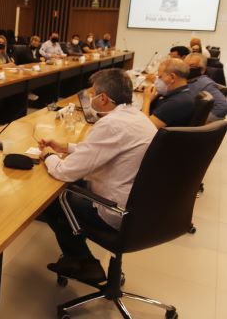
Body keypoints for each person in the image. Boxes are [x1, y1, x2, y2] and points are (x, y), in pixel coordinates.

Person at [38, 68, 156, 284]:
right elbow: (104, 150)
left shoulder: (111, 124)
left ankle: (81, 261)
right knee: (71, 188)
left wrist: (48, 155)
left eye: (92, 94)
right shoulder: (137, 116)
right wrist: (66, 147)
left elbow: (64, 171)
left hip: (116, 210)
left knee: (53, 200)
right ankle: (78, 258)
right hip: (143, 208)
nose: (89, 98)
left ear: (103, 98)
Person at [142, 58, 195, 128]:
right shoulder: (178, 93)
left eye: (160, 77)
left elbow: (145, 127)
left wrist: (147, 100)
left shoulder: (178, 102)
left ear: (172, 77)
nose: (157, 81)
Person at [184, 53, 227, 122]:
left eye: (192, 66)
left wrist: (200, 122)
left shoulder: (205, 84)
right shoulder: (185, 80)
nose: (187, 69)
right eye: (185, 65)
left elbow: (222, 106)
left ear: (203, 70)